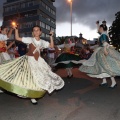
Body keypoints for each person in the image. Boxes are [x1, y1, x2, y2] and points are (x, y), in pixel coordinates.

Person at [0, 25, 64, 104]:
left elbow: (51, 45)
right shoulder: (30, 39)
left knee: (40, 77)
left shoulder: (42, 42)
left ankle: (33, 96)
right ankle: (32, 96)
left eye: (37, 30)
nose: (36, 31)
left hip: (39, 62)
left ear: (40, 32)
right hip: (29, 61)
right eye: (34, 30)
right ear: (33, 32)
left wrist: (51, 36)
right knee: (30, 78)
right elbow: (17, 38)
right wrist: (16, 30)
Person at [79, 24, 120, 88]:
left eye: (99, 28)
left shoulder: (103, 35)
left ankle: (113, 82)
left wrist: (105, 50)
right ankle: (104, 81)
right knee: (101, 67)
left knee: (107, 67)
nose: (98, 30)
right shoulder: (103, 34)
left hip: (103, 51)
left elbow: (105, 43)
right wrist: (97, 24)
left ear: (102, 28)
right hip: (100, 51)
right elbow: (100, 35)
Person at [0, 26, 14, 93]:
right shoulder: (0, 36)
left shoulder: (3, 39)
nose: (6, 32)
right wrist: (11, 29)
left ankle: (3, 86)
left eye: (7, 30)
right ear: (1, 30)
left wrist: (10, 44)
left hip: (5, 54)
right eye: (6, 30)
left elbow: (5, 49)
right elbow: (8, 36)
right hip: (1, 55)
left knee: (6, 70)